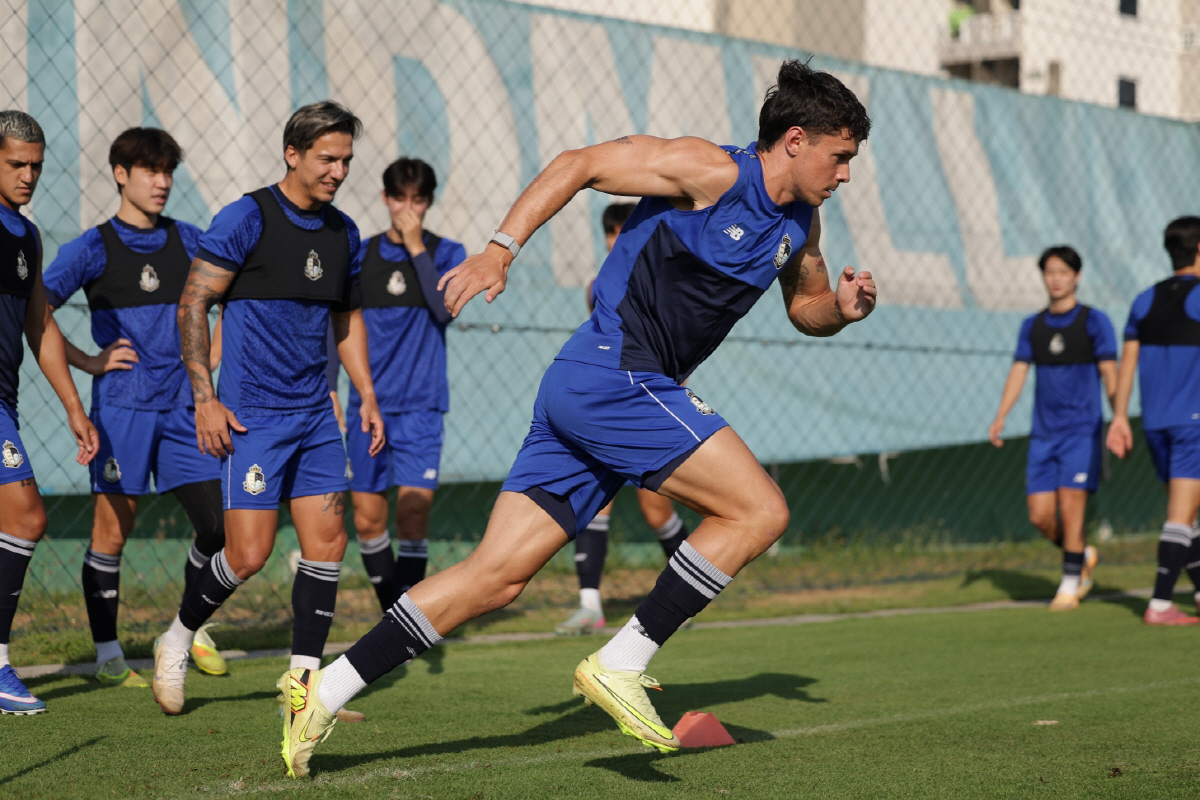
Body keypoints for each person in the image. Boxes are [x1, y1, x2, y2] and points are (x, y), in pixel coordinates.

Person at [278, 59, 875, 779]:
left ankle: (322, 692)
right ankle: (622, 660)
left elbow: (805, 306)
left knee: (493, 577)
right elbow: (581, 163)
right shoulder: (708, 170)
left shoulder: (801, 222)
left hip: (595, 390)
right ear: (794, 139)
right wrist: (501, 250)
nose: (845, 174)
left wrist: (839, 311)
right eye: (839, 157)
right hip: (612, 374)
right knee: (758, 510)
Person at [150, 101, 383, 716]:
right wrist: (206, 399)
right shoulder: (245, 218)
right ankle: (175, 638)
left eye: (346, 160)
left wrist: (366, 393)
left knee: (328, 546)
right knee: (248, 554)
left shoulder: (344, 233)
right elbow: (193, 305)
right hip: (253, 415)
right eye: (327, 159)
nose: (338, 171)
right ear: (293, 154)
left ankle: (302, 691)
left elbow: (346, 319)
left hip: (316, 416)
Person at [42, 128, 228, 687]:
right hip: (122, 409)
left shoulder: (191, 239)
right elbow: (38, 310)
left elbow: (232, 298)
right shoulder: (93, 246)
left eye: (168, 171)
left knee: (219, 529)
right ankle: (107, 656)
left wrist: (211, 356)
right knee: (112, 535)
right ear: (121, 174)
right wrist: (88, 361)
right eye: (151, 171)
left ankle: (186, 630)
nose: (162, 182)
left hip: (183, 409)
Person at [0, 110, 99, 714]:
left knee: (21, 518)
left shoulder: (27, 236)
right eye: (16, 164)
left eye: (36, 166)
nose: (28, 175)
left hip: (3, 402)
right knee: (29, 515)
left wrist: (73, 407)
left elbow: (39, 322)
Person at [556, 202, 690, 636]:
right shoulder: (599, 286)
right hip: (607, 404)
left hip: (648, 402)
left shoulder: (661, 280)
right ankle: (590, 606)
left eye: (623, 231)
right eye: (610, 232)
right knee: (597, 501)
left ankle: (686, 600)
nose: (616, 239)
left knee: (656, 508)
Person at [343, 158, 466, 611]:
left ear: (428, 202)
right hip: (367, 407)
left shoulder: (447, 252)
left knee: (413, 513)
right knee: (368, 517)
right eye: (399, 198)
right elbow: (336, 325)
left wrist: (416, 248)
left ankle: (404, 620)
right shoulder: (361, 254)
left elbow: (444, 310)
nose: (407, 209)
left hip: (421, 406)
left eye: (417, 200)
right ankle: (392, 613)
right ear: (385, 198)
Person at [988, 246, 1116, 611]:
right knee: (1041, 516)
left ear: (1076, 276)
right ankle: (1082, 554)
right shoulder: (1033, 325)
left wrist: (1118, 417)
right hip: (1044, 435)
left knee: (1072, 509)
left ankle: (1070, 584)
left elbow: (1110, 373)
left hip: (1082, 432)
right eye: (1049, 272)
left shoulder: (1094, 321)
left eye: (1063, 272)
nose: (1056, 278)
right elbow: (1018, 371)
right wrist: (1000, 416)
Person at [1107, 216, 1200, 625]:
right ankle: (1161, 603)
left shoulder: (1144, 299)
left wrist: (1120, 418)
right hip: (1193, 424)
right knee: (1181, 516)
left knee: (1187, 511)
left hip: (1156, 423)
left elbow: (1127, 366)